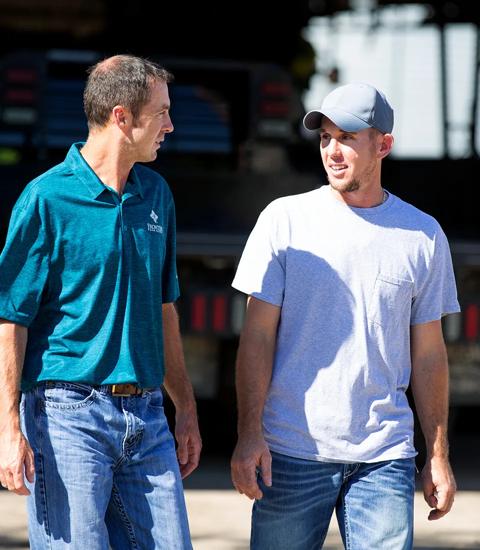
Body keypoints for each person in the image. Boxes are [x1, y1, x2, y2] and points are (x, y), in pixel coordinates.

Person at [230, 82, 459, 549]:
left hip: (385, 457)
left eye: (348, 138)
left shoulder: (423, 236)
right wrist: (248, 434)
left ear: (384, 145)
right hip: (291, 450)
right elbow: (256, 337)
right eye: (325, 138)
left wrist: (437, 454)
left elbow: (430, 356)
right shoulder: (284, 221)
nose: (333, 151)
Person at [0, 54, 201, 549]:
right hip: (67, 417)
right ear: (121, 117)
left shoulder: (156, 195)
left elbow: (163, 308)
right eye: (161, 113)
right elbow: (12, 317)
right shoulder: (45, 198)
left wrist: (187, 409)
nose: (171, 126)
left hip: (149, 416)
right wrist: (8, 428)